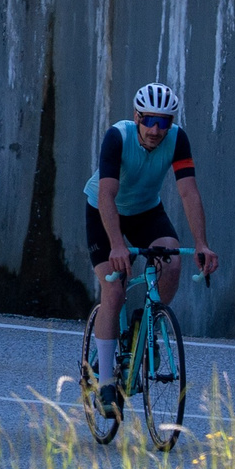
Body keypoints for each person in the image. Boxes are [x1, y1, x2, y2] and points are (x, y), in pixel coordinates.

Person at [84, 80, 219, 412]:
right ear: (136, 117)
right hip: (105, 210)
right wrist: (117, 245)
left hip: (146, 211)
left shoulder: (177, 140)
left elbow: (188, 192)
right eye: (149, 120)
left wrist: (201, 243)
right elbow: (106, 195)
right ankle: (104, 383)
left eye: (164, 122)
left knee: (172, 263)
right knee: (113, 291)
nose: (156, 130)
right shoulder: (118, 136)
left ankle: (146, 321)